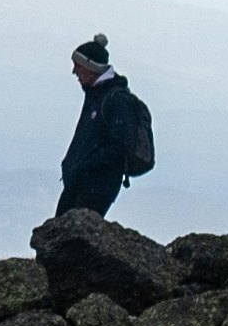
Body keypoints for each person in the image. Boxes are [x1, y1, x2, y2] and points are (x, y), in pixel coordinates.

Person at [58, 37, 157, 221]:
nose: (74, 72)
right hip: (79, 183)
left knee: (72, 240)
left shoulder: (116, 100)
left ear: (91, 67)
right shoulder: (95, 95)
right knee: (57, 236)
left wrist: (86, 167)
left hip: (97, 186)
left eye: (78, 66)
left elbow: (120, 145)